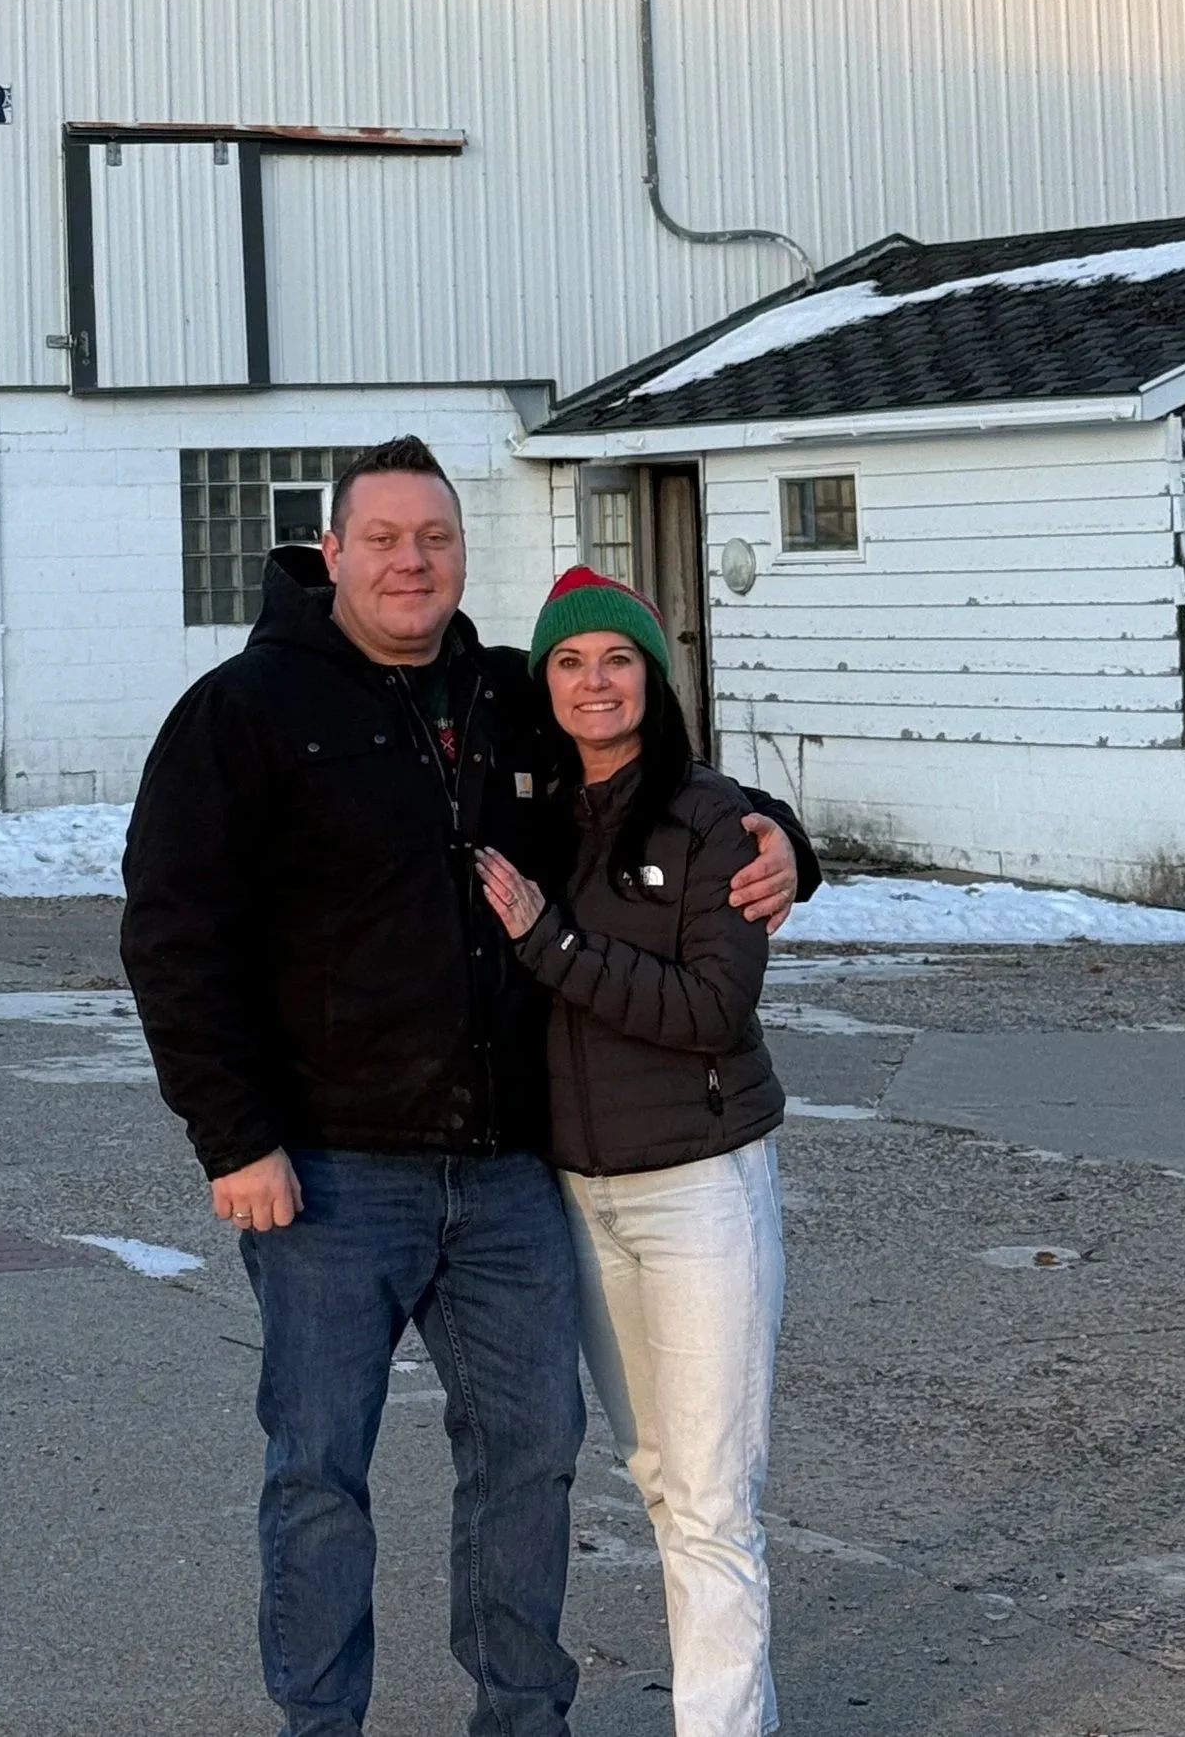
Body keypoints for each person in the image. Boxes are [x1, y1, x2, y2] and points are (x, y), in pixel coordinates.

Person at [120, 438, 815, 1737]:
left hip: (504, 1173)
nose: (409, 560)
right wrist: (234, 1136)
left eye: (432, 538)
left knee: (526, 1460)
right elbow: (172, 932)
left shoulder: (503, 691)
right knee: (319, 1471)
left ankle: (519, 1716)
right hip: (327, 1174)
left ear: (457, 553)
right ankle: (320, 1721)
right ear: (330, 552)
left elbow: (643, 768)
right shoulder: (246, 712)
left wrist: (780, 836)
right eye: (380, 538)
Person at [476, 568, 788, 1737]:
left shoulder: (712, 819)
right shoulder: (535, 813)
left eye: (616, 659)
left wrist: (547, 943)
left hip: (701, 1189)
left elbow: (712, 1008)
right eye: (567, 662)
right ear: (543, 683)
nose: (593, 682)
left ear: (653, 679)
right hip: (578, 1193)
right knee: (659, 1482)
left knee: (712, 1500)